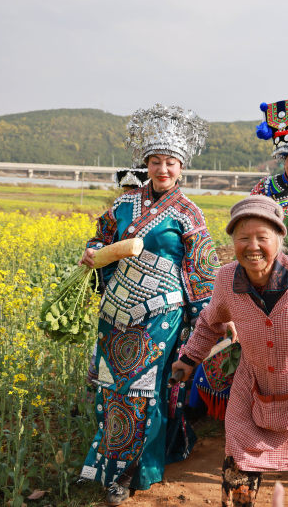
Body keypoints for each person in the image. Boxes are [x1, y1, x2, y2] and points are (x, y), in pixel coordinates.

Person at [171, 195, 288, 507]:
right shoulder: (227, 279)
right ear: (233, 241)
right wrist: (189, 359)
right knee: (238, 468)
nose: (252, 246)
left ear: (279, 238)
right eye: (243, 238)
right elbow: (208, 323)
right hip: (252, 390)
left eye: (262, 237)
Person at [77, 104, 221, 505]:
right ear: (145, 164)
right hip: (116, 311)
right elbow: (99, 239)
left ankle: (129, 471)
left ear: (181, 166)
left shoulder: (189, 213)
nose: (162, 170)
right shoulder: (123, 207)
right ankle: (110, 461)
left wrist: (205, 319)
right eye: (155, 161)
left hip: (162, 313)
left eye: (170, 162)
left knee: (142, 389)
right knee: (110, 386)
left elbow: (202, 269)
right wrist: (92, 254)